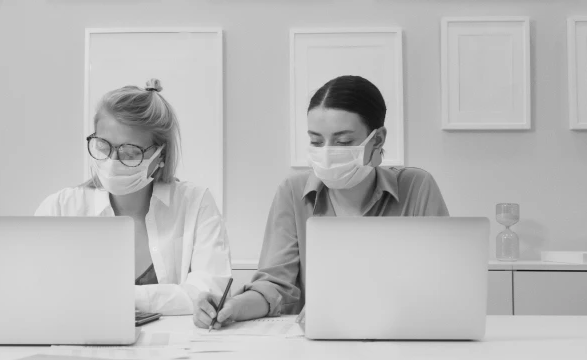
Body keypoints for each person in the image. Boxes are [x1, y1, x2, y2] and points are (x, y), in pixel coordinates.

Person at [193, 75, 449, 328]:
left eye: (343, 141)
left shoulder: (417, 187)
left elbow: (441, 286)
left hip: (403, 343)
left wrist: (354, 305)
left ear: (378, 139)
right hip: (316, 350)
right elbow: (273, 286)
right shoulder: (292, 192)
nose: (326, 153)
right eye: (316, 141)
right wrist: (233, 307)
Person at [37, 79, 232, 315]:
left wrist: (112, 298)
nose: (112, 161)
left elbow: (209, 293)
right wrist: (171, 298)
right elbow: (39, 291)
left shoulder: (195, 204)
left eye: (130, 153)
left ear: (161, 154)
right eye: (103, 146)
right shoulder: (60, 208)